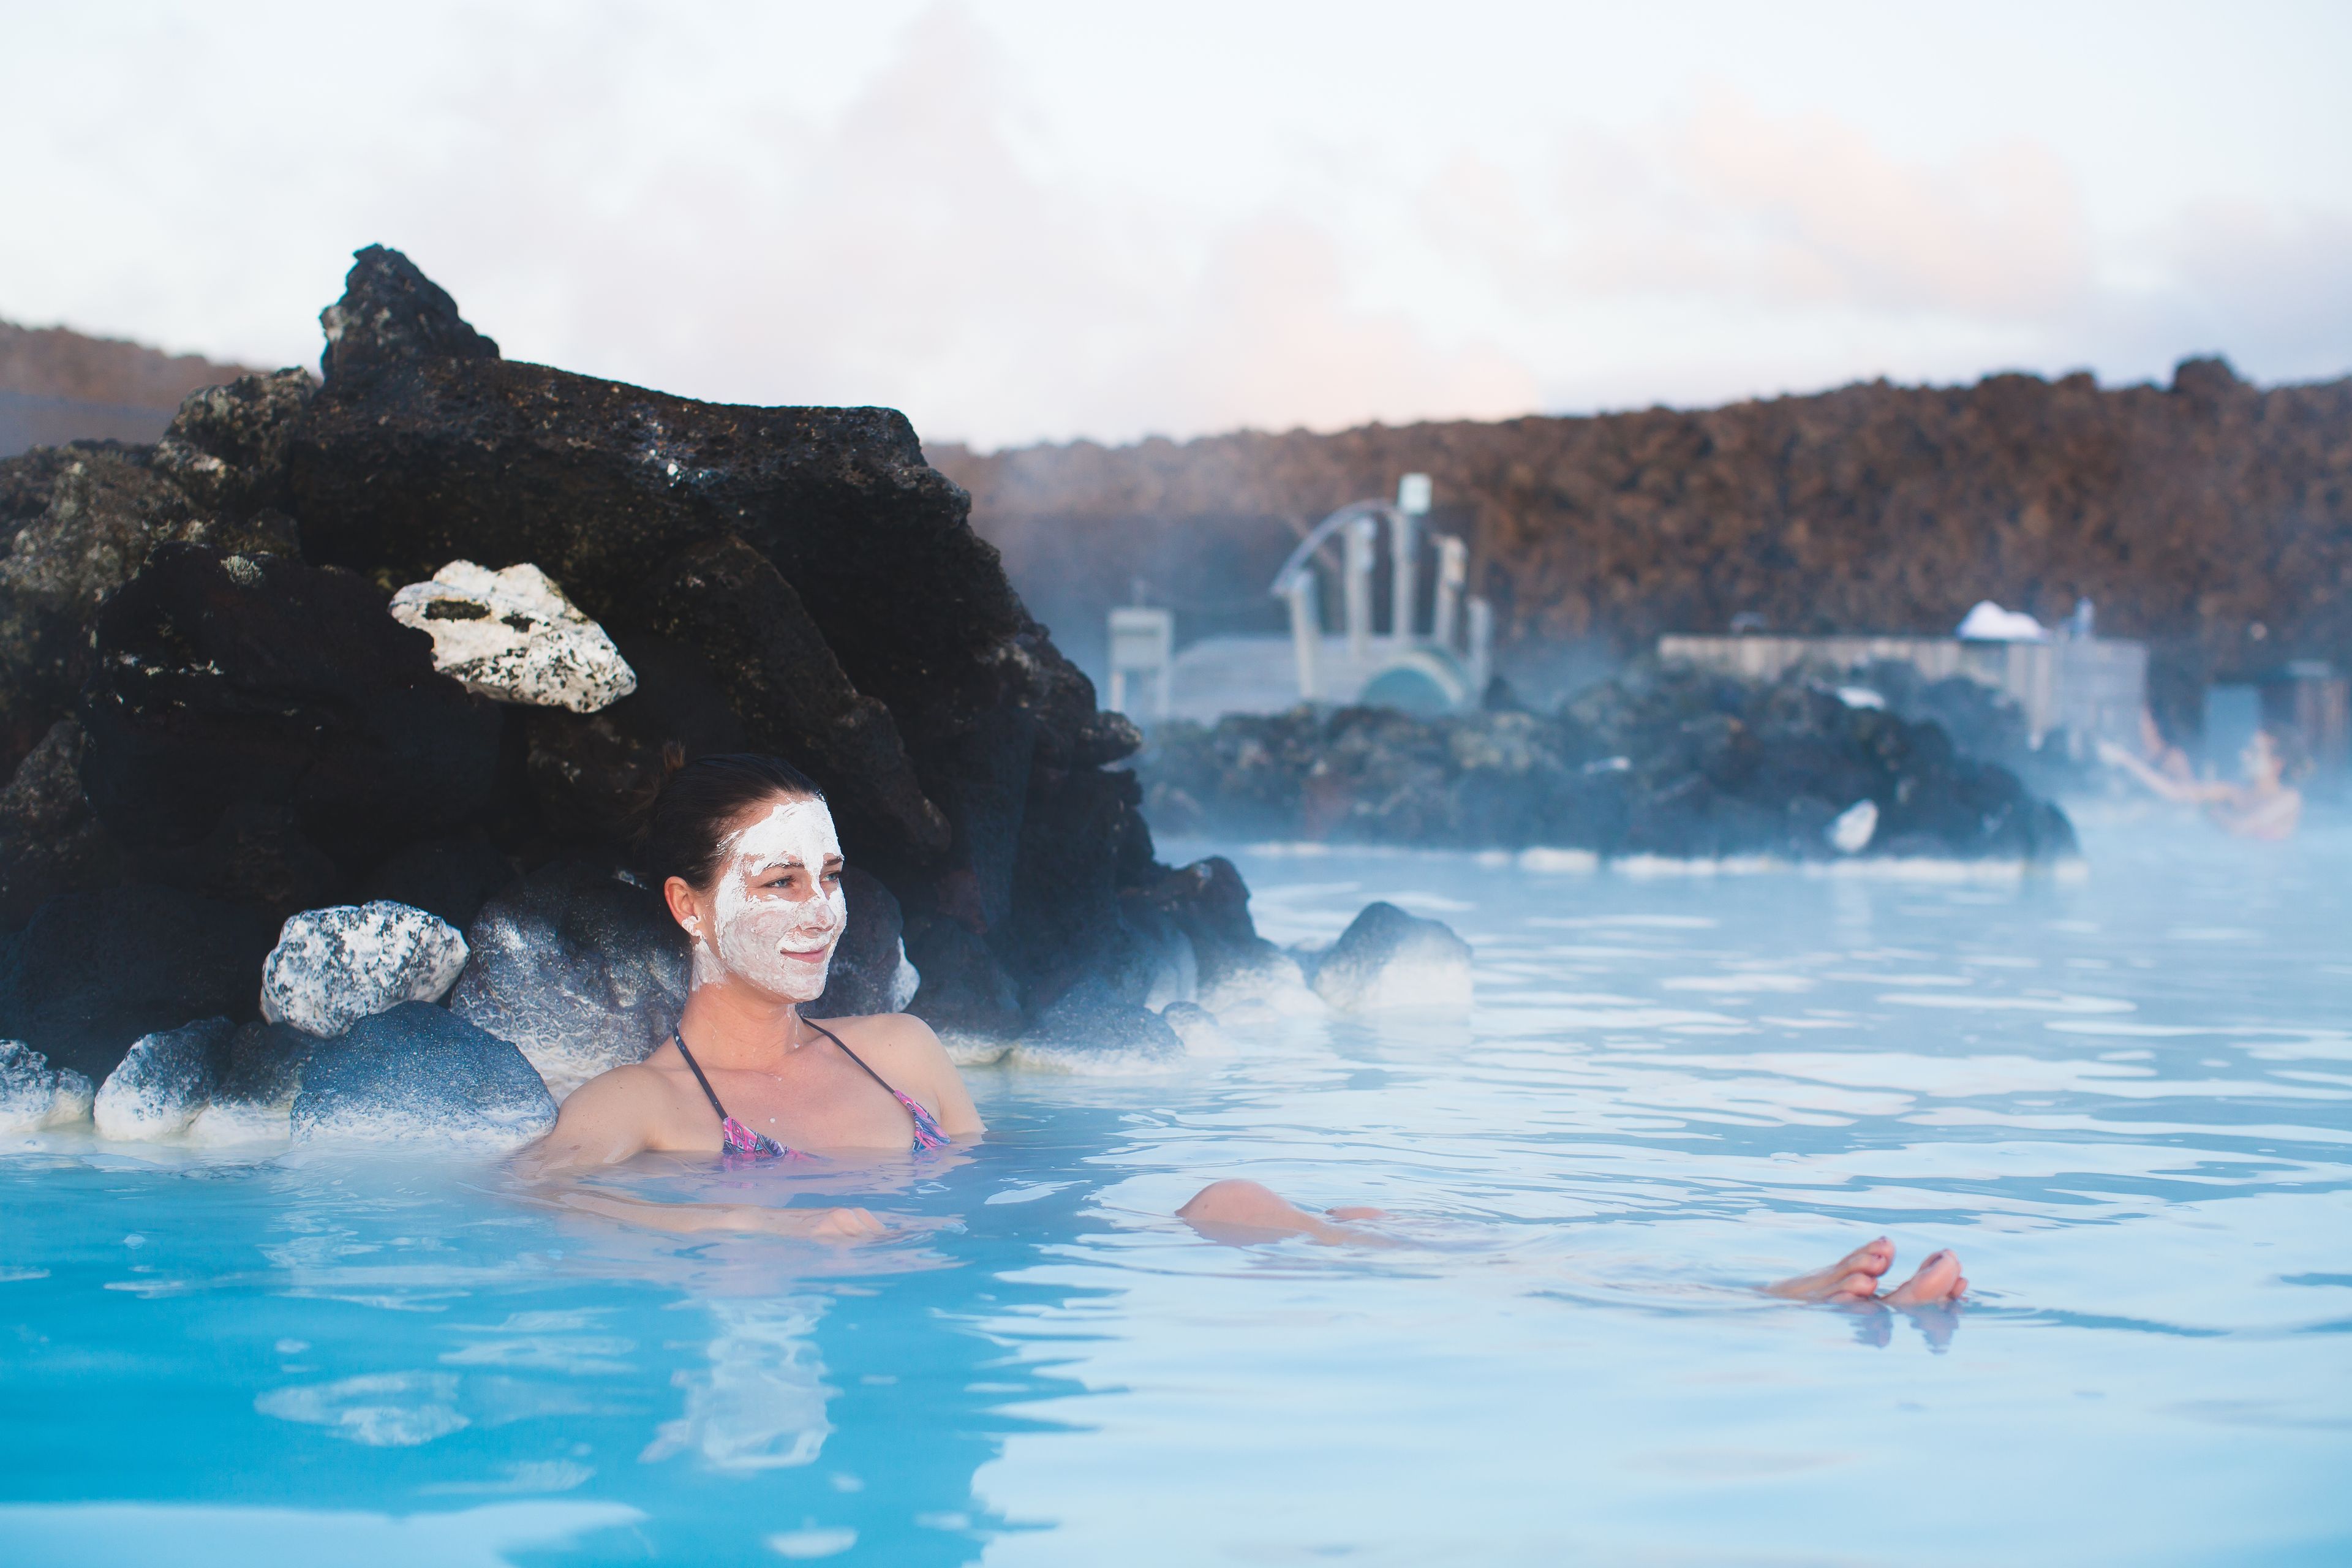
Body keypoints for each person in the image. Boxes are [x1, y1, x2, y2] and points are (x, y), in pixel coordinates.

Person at [517, 753, 983, 1238]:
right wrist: (747, 1221)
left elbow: (987, 1186)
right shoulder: (643, 1101)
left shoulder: (903, 1050)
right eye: (782, 882)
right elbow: (530, 1190)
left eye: (830, 877)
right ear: (687, 905)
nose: (823, 915)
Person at [1173, 1181, 1970, 1308]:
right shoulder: (1224, 1203)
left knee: (1577, 1270)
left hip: (1378, 1247)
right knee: (1565, 1270)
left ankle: (1786, 1297)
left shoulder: (1342, 1214)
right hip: (1384, 1253)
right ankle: (1783, 1297)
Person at [2100, 725, 2304, 840]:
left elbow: (2241, 828)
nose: (2243, 755)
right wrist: (2126, 759)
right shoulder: (2233, 791)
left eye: (2254, 752)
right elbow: (2174, 793)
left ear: (2277, 764)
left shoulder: (2288, 798)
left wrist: (2206, 807)